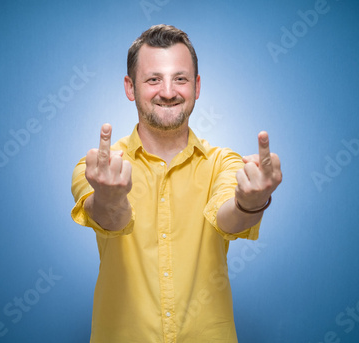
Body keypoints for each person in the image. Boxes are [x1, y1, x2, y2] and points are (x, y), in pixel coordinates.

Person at [71, 24, 282, 343]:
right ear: (130, 87)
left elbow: (230, 219)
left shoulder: (224, 162)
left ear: (197, 86)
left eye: (180, 79)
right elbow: (110, 220)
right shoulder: (99, 168)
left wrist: (251, 201)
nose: (168, 91)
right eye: (153, 79)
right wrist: (110, 199)